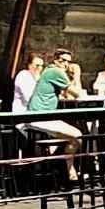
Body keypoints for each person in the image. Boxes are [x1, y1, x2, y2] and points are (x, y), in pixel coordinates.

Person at [26, 49, 83, 181]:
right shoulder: (56, 72)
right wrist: (77, 74)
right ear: (56, 60)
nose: (65, 64)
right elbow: (77, 93)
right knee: (78, 136)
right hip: (41, 118)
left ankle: (56, 162)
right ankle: (68, 170)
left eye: (68, 61)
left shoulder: (49, 71)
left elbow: (68, 95)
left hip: (41, 116)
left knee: (71, 135)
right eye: (63, 60)